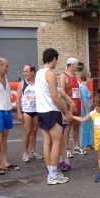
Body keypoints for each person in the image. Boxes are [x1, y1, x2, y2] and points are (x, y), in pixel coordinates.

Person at [35, 48, 72, 185]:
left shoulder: (39, 73)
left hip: (41, 111)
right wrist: (65, 111)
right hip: (51, 110)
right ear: (54, 59)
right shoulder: (50, 73)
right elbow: (55, 97)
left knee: (47, 142)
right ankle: (52, 174)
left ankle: (51, 172)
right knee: (57, 142)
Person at [73, 94, 100, 184]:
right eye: (95, 105)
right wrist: (72, 116)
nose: (97, 108)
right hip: (97, 137)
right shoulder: (93, 113)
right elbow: (82, 119)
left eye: (99, 106)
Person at [16, 64, 44, 163]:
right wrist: (19, 113)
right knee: (27, 131)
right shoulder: (22, 84)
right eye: (24, 71)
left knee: (34, 131)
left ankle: (33, 151)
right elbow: (18, 99)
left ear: (32, 72)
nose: (25, 73)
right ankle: (24, 152)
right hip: (27, 111)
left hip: (36, 110)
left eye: (26, 71)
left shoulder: (38, 83)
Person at [59, 57, 86, 157]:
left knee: (76, 126)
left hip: (77, 102)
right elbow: (61, 92)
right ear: (72, 64)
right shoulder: (63, 76)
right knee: (67, 127)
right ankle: (66, 148)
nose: (78, 66)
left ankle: (76, 146)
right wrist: (64, 106)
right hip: (68, 104)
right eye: (77, 64)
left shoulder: (74, 75)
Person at [79, 71, 93, 150]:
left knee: (89, 125)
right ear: (87, 77)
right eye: (89, 77)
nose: (90, 79)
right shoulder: (83, 87)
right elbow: (83, 100)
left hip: (87, 107)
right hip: (85, 108)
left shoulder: (84, 87)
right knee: (85, 125)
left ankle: (89, 143)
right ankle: (83, 144)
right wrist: (87, 110)